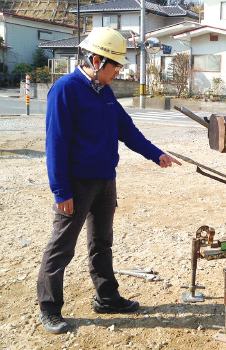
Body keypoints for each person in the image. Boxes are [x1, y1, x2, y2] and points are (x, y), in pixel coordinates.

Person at [37, 27, 182, 334]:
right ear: (96, 60)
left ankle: (107, 297)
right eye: (115, 65)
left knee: (102, 243)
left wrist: (157, 154)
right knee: (62, 246)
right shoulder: (65, 89)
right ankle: (49, 307)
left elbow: (126, 130)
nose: (119, 71)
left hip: (105, 180)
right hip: (76, 183)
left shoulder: (104, 92)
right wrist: (60, 189)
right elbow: (56, 143)